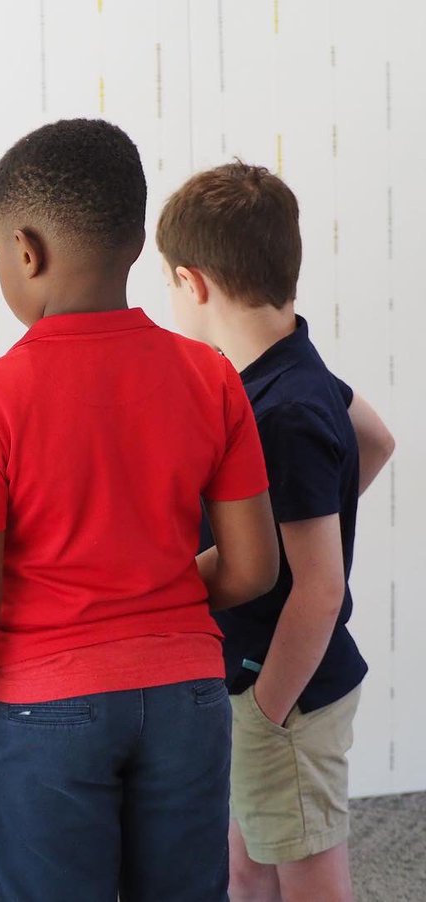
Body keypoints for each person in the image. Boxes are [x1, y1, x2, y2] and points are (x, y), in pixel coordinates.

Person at [0, 119, 281, 901]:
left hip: (47, 715)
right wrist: (158, 604)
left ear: (26, 251)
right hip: (188, 697)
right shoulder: (212, 376)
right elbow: (255, 567)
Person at [157, 161, 396, 902]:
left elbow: (319, 592)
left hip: (283, 693)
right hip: (261, 679)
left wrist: (268, 711)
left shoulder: (279, 412)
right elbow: (377, 438)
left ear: (192, 283)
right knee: (248, 867)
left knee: (308, 877)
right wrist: (294, 524)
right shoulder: (291, 361)